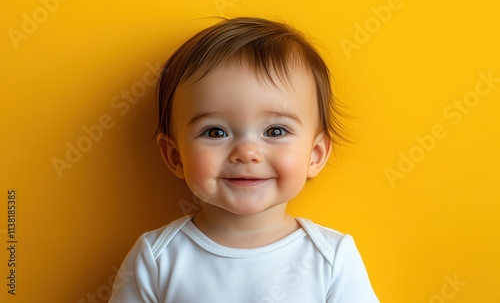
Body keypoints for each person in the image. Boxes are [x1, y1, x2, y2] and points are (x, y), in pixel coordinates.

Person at [109, 17, 379, 302]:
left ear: (315, 155)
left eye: (275, 131)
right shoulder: (156, 258)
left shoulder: (331, 258)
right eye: (215, 132)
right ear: (175, 156)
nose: (247, 152)